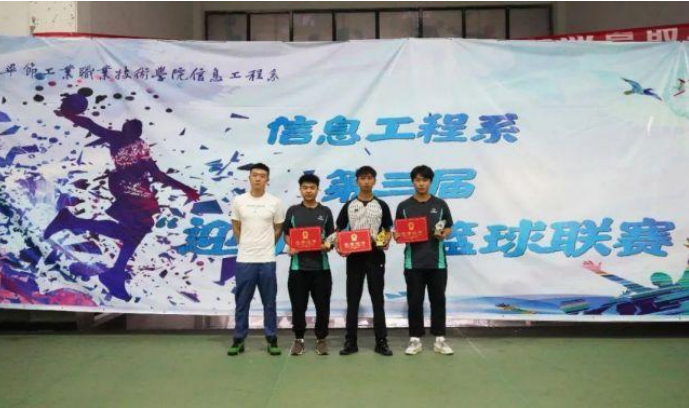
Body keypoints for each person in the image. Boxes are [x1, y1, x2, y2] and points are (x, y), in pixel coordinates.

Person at [45, 94, 199, 301]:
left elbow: (156, 174)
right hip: (125, 185)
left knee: (133, 232)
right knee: (141, 226)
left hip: (138, 187)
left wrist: (185, 188)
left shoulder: (140, 145)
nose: (127, 129)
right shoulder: (116, 137)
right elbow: (90, 124)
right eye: (126, 126)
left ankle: (73, 223)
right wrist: (68, 115)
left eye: (131, 128)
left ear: (137, 133)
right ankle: (113, 272)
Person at [394, 165, 454, 355]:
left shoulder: (440, 204)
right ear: (413, 182)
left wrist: (444, 233)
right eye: (418, 180)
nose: (421, 184)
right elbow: (398, 231)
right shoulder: (404, 206)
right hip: (413, 263)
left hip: (437, 262)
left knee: (438, 301)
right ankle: (415, 340)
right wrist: (397, 236)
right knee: (414, 301)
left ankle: (440, 339)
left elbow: (448, 226)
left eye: (425, 180)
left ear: (430, 182)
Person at [227, 163, 285, 356]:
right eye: (255, 175)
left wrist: (267, 245)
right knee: (242, 302)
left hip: (267, 259)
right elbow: (236, 226)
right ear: (249, 178)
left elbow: (278, 228)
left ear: (267, 179)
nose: (258, 178)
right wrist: (244, 244)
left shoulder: (275, 202)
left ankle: (271, 338)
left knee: (269, 302)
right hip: (245, 259)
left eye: (262, 175)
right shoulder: (239, 201)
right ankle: (238, 339)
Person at [336, 166, 394, 356]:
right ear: (357, 181)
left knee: (378, 300)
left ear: (374, 181)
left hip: (375, 257)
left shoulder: (382, 205)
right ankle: (350, 342)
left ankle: (381, 342)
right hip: (354, 258)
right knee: (353, 300)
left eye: (370, 178)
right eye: (362, 178)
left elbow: (388, 230)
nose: (366, 181)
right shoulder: (349, 205)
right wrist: (339, 245)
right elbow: (339, 230)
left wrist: (385, 240)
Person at [282, 173, 335, 356]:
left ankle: (321, 339)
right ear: (300, 190)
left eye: (312, 188)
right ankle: (299, 339)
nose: (308, 191)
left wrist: (327, 246)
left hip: (321, 268)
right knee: (298, 305)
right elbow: (287, 233)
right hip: (298, 268)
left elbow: (331, 237)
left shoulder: (325, 211)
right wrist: (291, 245)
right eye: (305, 188)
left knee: (323, 306)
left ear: (318, 190)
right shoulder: (293, 211)